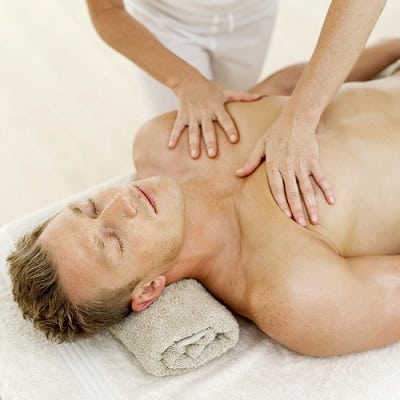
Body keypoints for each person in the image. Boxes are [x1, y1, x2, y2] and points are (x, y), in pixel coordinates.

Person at [8, 39, 400, 357]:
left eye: (90, 207)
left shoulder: (165, 144)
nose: (120, 204)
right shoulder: (291, 295)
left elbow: (277, 94)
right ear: (148, 290)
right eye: (113, 239)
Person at [86, 0, 386, 226]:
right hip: (166, 23)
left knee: (247, 109)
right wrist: (183, 80)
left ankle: (390, 48)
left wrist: (302, 115)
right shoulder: (155, 146)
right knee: (198, 142)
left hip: (251, 15)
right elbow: (106, 10)